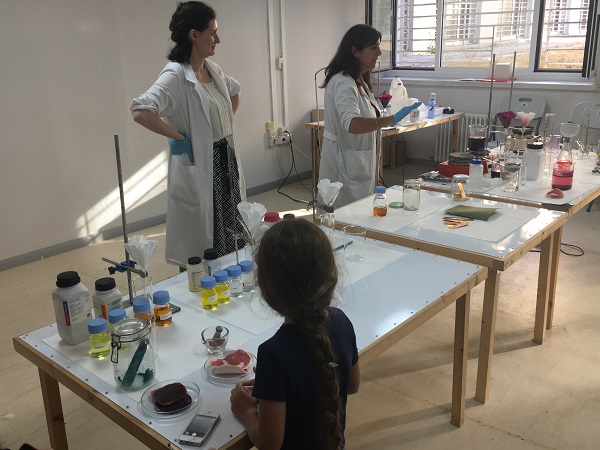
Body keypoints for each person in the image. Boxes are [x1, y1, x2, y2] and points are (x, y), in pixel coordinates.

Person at [130, 1, 246, 267]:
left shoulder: (212, 70)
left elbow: (235, 91)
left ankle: (228, 277)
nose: (218, 39)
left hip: (224, 161)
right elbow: (140, 110)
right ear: (194, 35)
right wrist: (181, 138)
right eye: (212, 32)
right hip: (202, 164)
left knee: (231, 232)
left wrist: (222, 123)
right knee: (205, 239)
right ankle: (204, 284)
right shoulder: (175, 75)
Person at [230, 219, 360, 450]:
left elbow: (269, 445)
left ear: (266, 289)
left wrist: (247, 411)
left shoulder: (273, 353)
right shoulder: (341, 321)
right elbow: (351, 385)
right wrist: (282, 385)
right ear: (331, 276)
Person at [318, 24, 420, 207]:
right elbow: (352, 124)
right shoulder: (342, 82)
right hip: (343, 165)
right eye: (373, 48)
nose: (379, 53)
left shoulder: (359, 81)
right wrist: (391, 119)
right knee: (342, 215)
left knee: (359, 212)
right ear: (355, 51)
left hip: (358, 163)